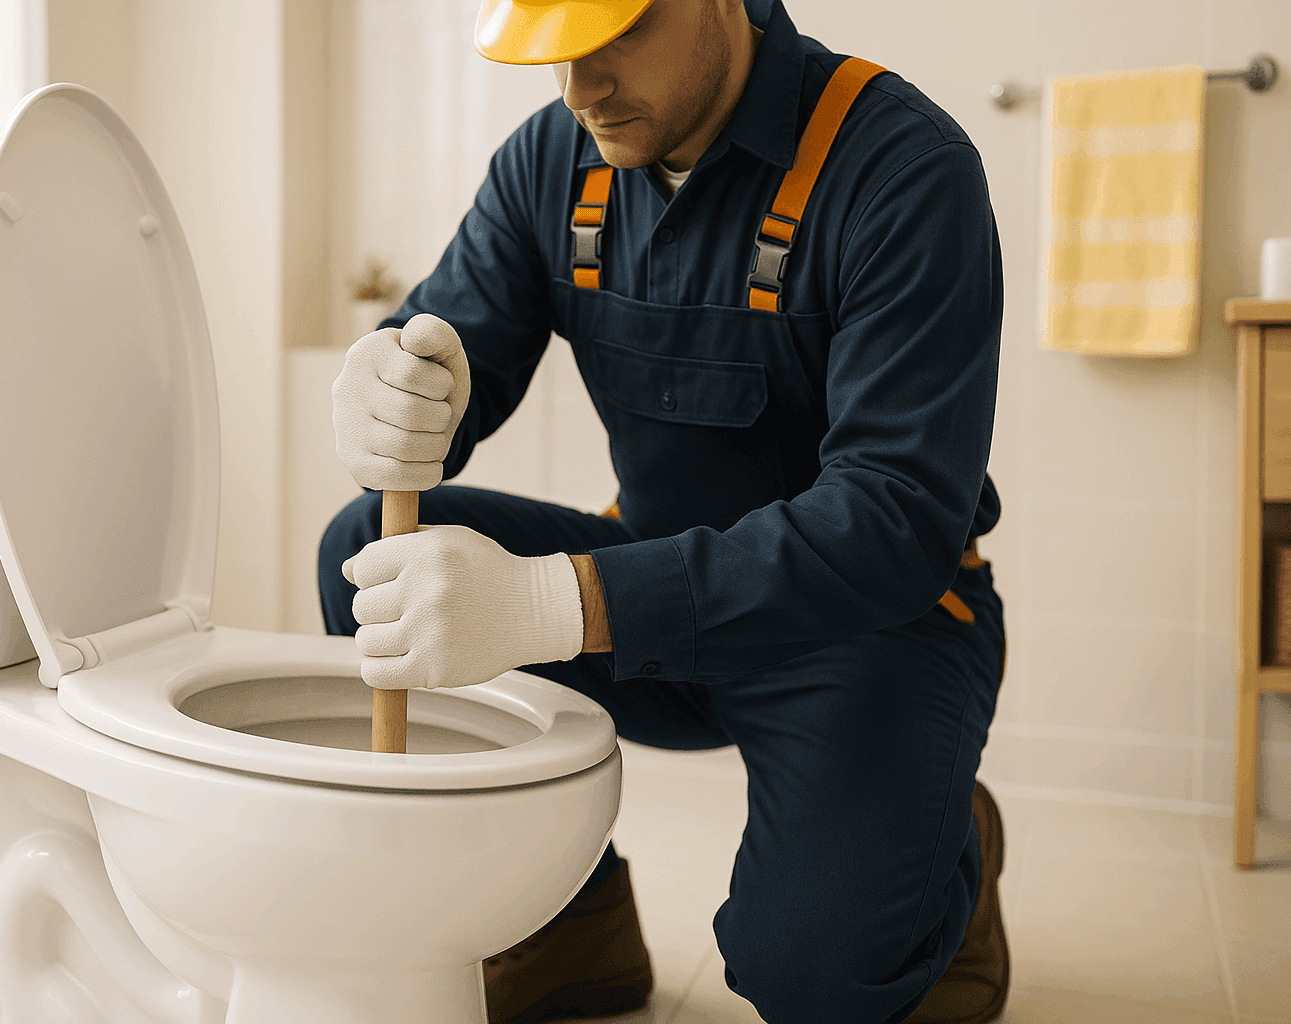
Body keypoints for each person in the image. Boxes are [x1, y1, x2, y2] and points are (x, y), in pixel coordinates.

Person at [319, 0, 1008, 1021]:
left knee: (810, 974)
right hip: (658, 614)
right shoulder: (553, 161)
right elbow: (450, 342)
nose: (580, 88)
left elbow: (893, 520)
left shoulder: (902, 169)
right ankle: (570, 919)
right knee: (370, 556)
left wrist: (554, 603)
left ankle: (940, 858)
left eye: (616, 37)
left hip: (871, 630)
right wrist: (402, 389)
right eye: (559, 51)